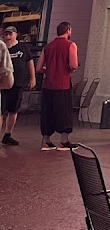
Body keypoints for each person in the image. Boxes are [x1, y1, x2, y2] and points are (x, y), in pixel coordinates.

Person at [37, 21, 78, 150]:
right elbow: (73, 65)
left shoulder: (47, 47)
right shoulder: (70, 45)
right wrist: (70, 69)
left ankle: (46, 141)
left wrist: (49, 70)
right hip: (63, 84)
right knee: (64, 112)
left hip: (48, 85)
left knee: (47, 112)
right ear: (68, 31)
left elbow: (39, 68)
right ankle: (64, 141)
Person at [1, 26, 36, 145]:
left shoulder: (22, 47)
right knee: (2, 111)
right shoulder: (2, 48)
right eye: (6, 34)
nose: (8, 37)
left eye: (10, 34)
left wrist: (32, 78)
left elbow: (29, 62)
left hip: (17, 83)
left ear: (15, 35)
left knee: (13, 109)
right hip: (3, 84)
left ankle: (8, 134)